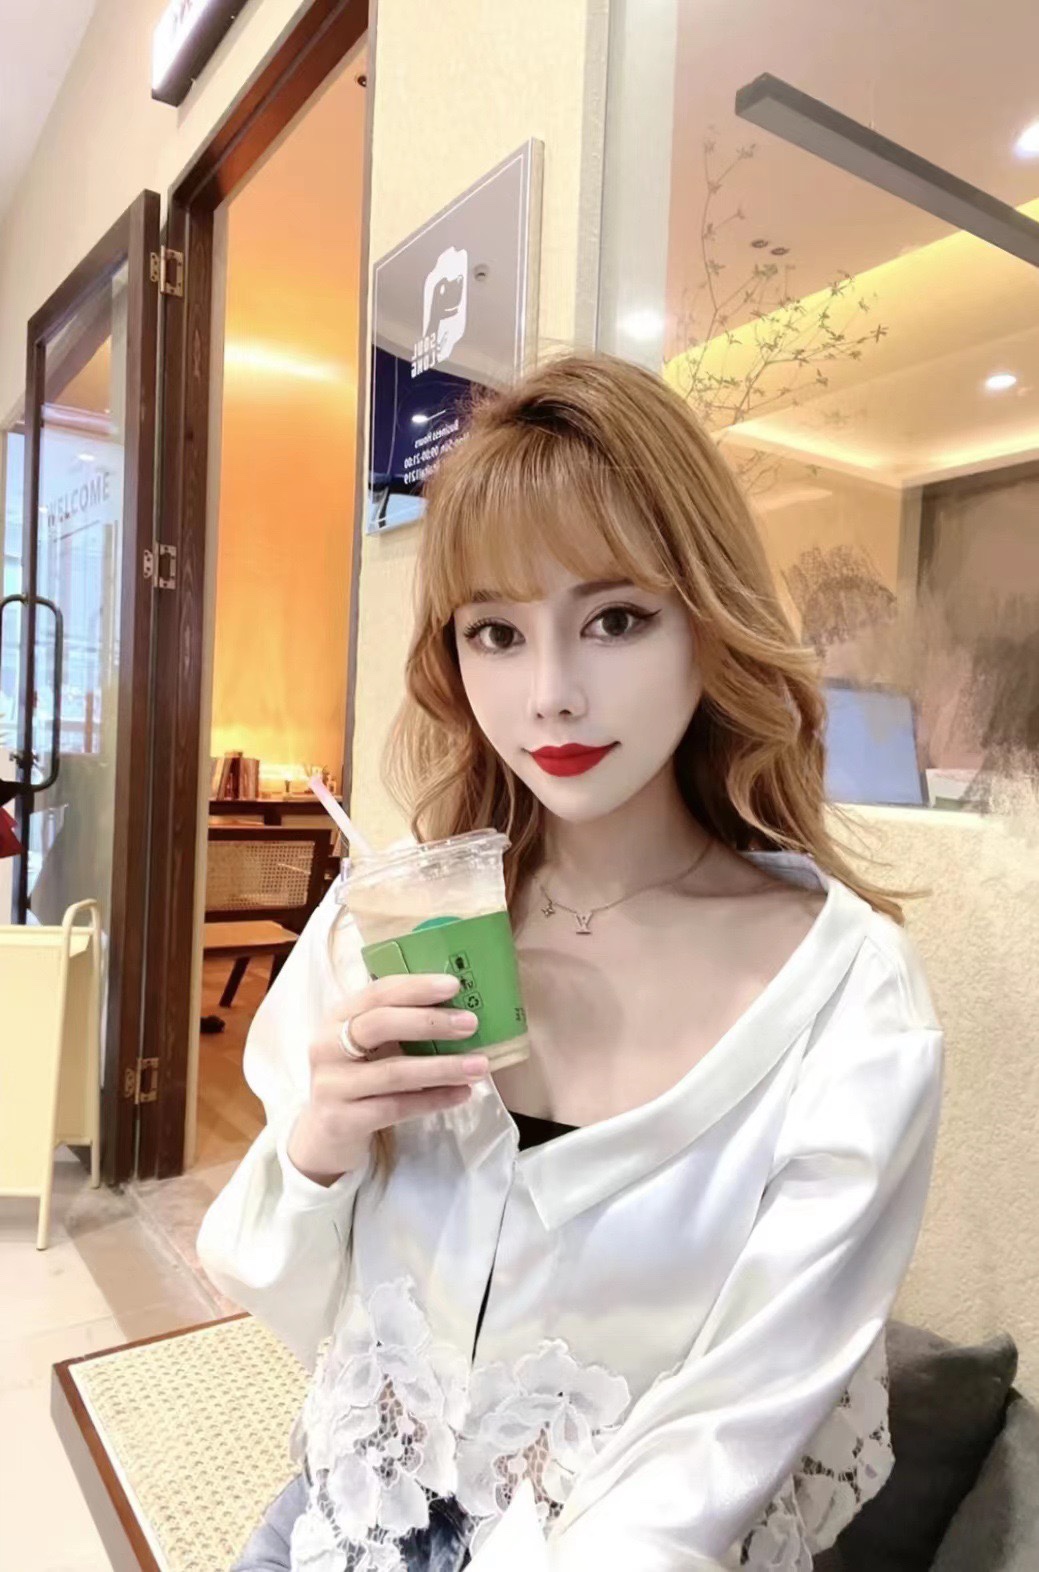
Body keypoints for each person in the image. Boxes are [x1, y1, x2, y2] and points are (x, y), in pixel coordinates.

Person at [198, 354, 943, 1572]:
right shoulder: (389, 924)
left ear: (709, 619)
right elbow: (276, 1288)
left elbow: (729, 1432)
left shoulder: (847, 1000)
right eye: (496, 632)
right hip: (337, 1531)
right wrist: (321, 1144)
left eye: (615, 620)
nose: (548, 695)